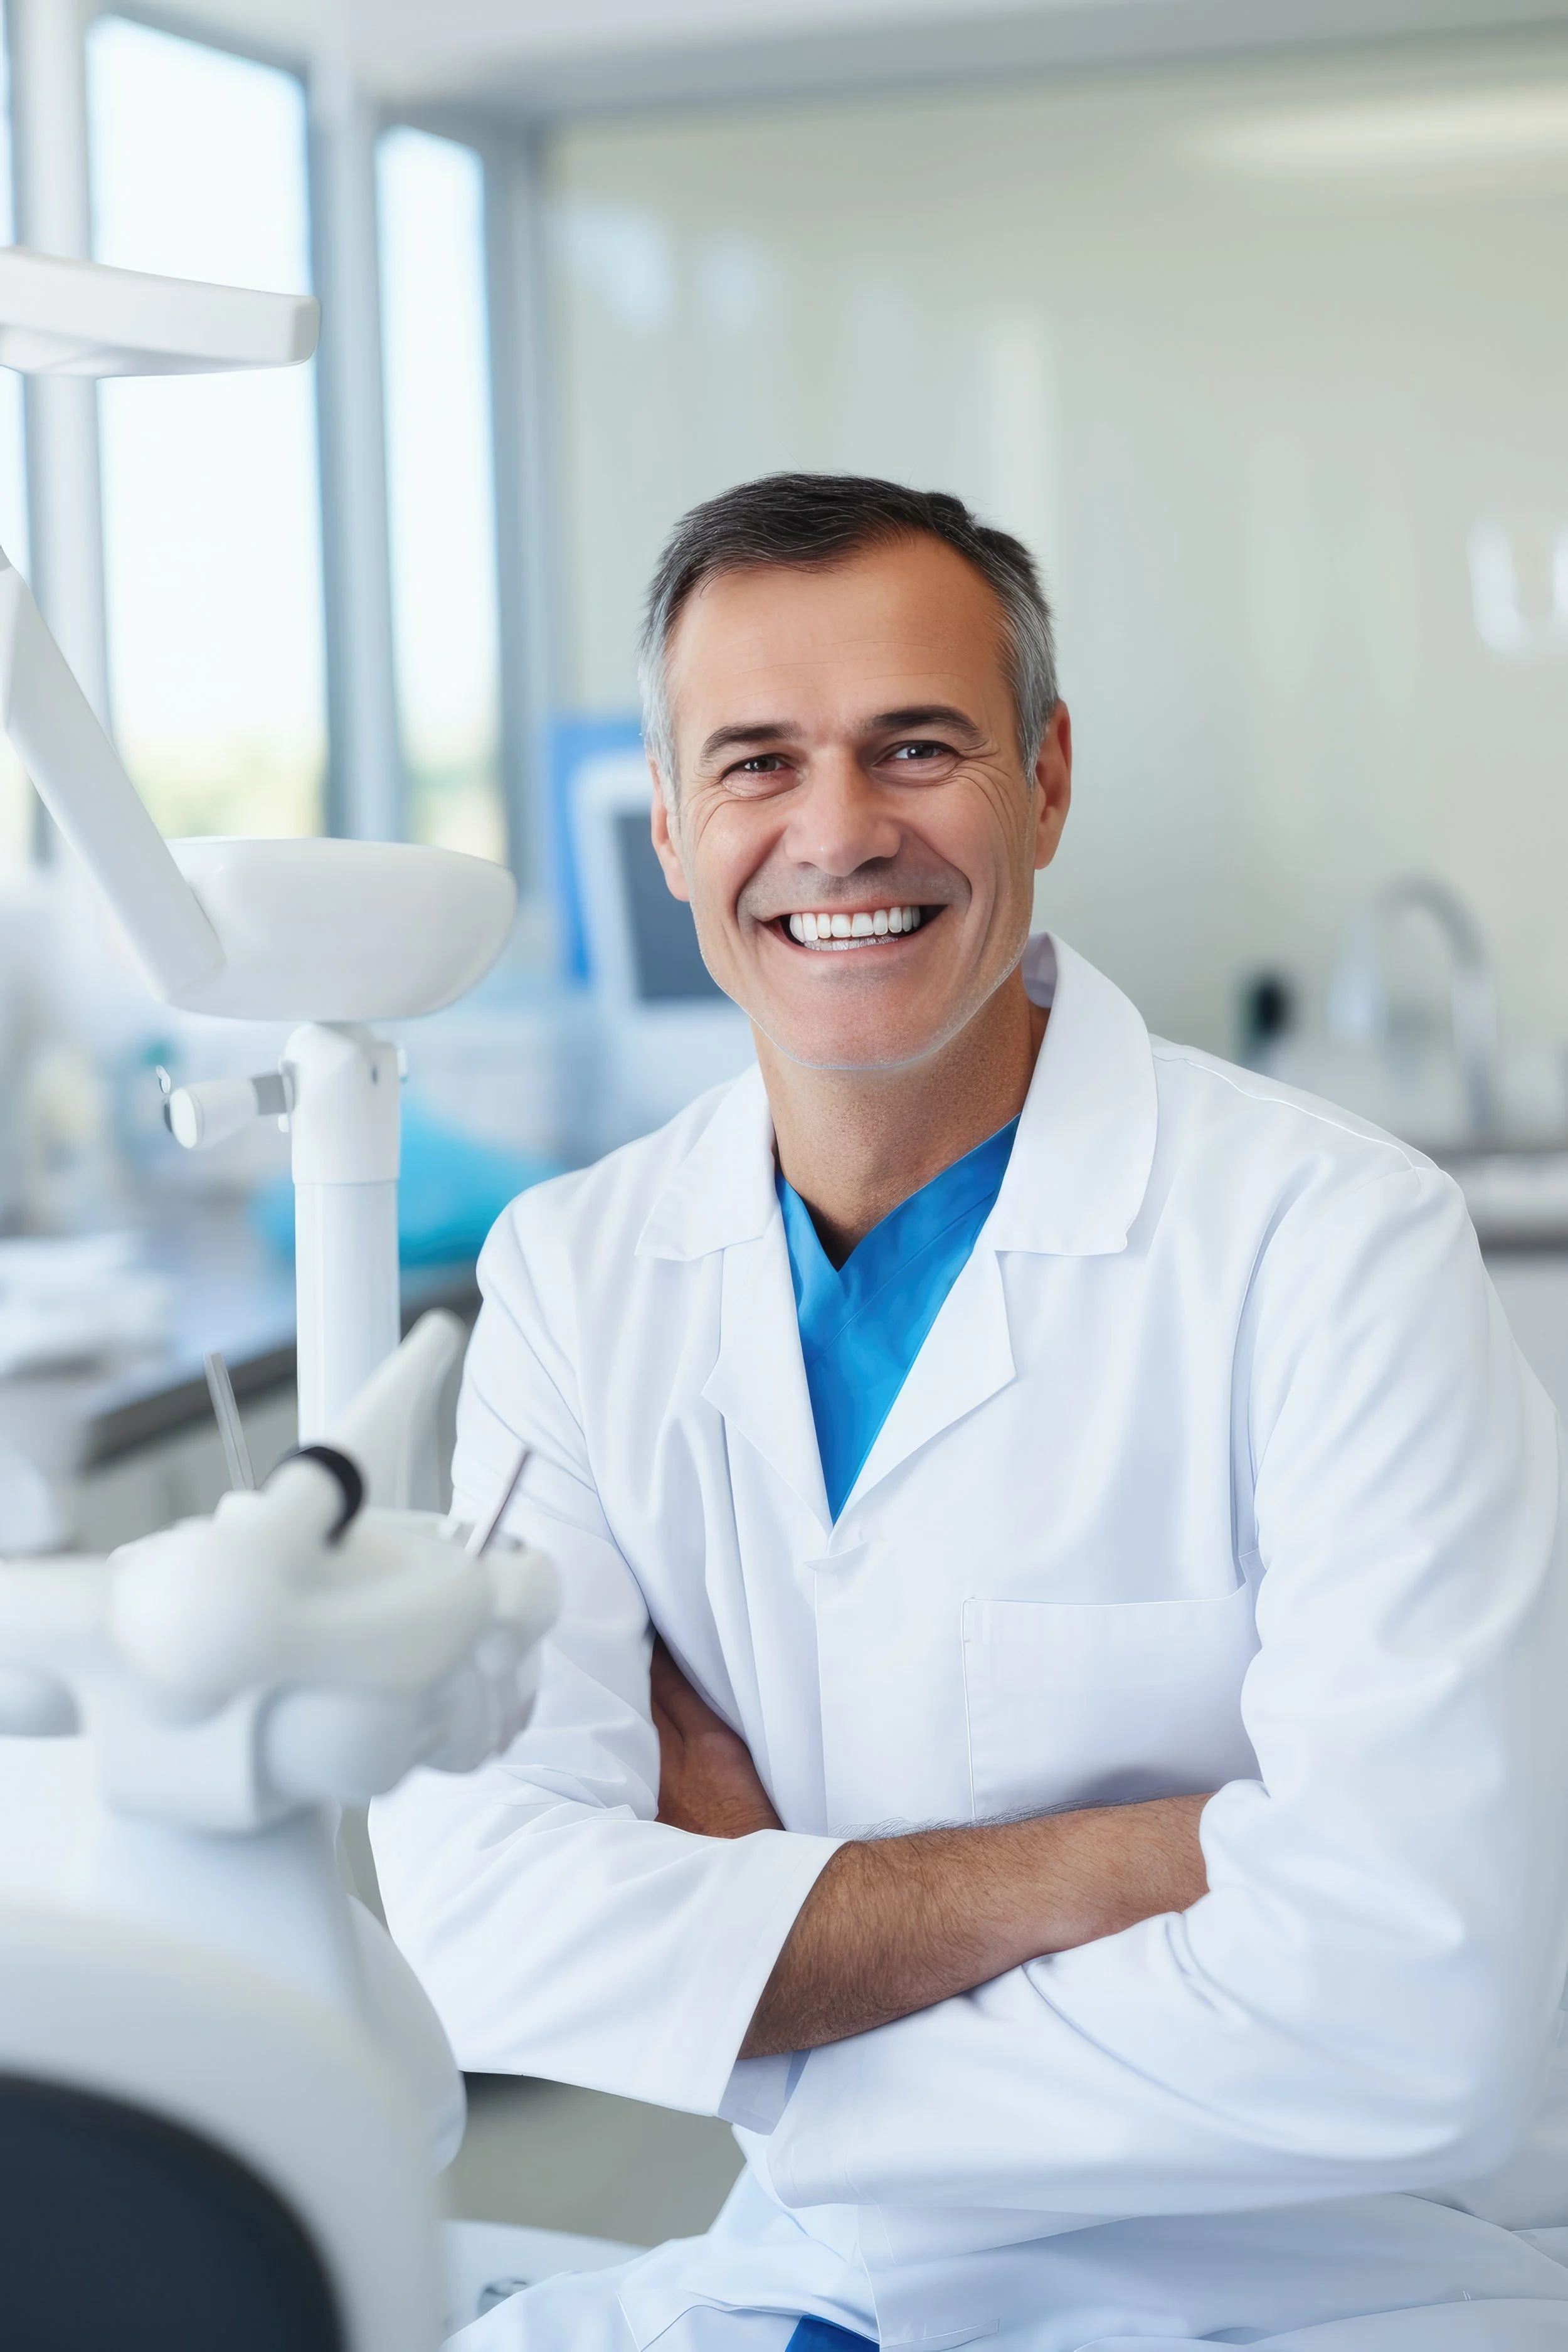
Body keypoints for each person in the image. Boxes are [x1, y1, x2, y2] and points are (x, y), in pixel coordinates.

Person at [371, 474, 1568, 2351]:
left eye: (913, 746)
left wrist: (765, 1997)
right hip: (814, 2275)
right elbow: (487, 1932)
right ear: (674, 827)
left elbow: (1415, 2011)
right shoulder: (574, 1276)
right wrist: (1132, 1853)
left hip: (1345, 2269)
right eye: (756, 763)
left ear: (1046, 779)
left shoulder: (1333, 1249)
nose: (837, 832)